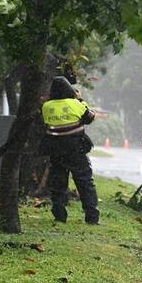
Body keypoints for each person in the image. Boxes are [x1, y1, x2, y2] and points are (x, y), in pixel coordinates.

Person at [41, 76, 99, 224]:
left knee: (58, 183)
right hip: (76, 150)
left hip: (56, 151)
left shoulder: (47, 106)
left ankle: (60, 215)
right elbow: (90, 117)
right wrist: (80, 100)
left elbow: (46, 122)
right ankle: (92, 217)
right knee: (85, 183)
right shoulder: (75, 104)